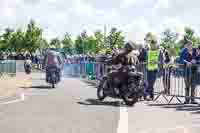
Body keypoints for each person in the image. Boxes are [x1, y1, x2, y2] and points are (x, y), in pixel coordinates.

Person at [145, 35, 161, 101]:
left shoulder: (159, 51)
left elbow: (162, 61)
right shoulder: (148, 52)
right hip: (148, 69)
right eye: (151, 45)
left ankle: (150, 95)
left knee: (151, 83)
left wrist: (156, 62)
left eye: (153, 44)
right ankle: (150, 96)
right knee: (149, 83)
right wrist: (147, 63)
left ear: (156, 44)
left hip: (155, 69)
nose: (152, 46)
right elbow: (146, 60)